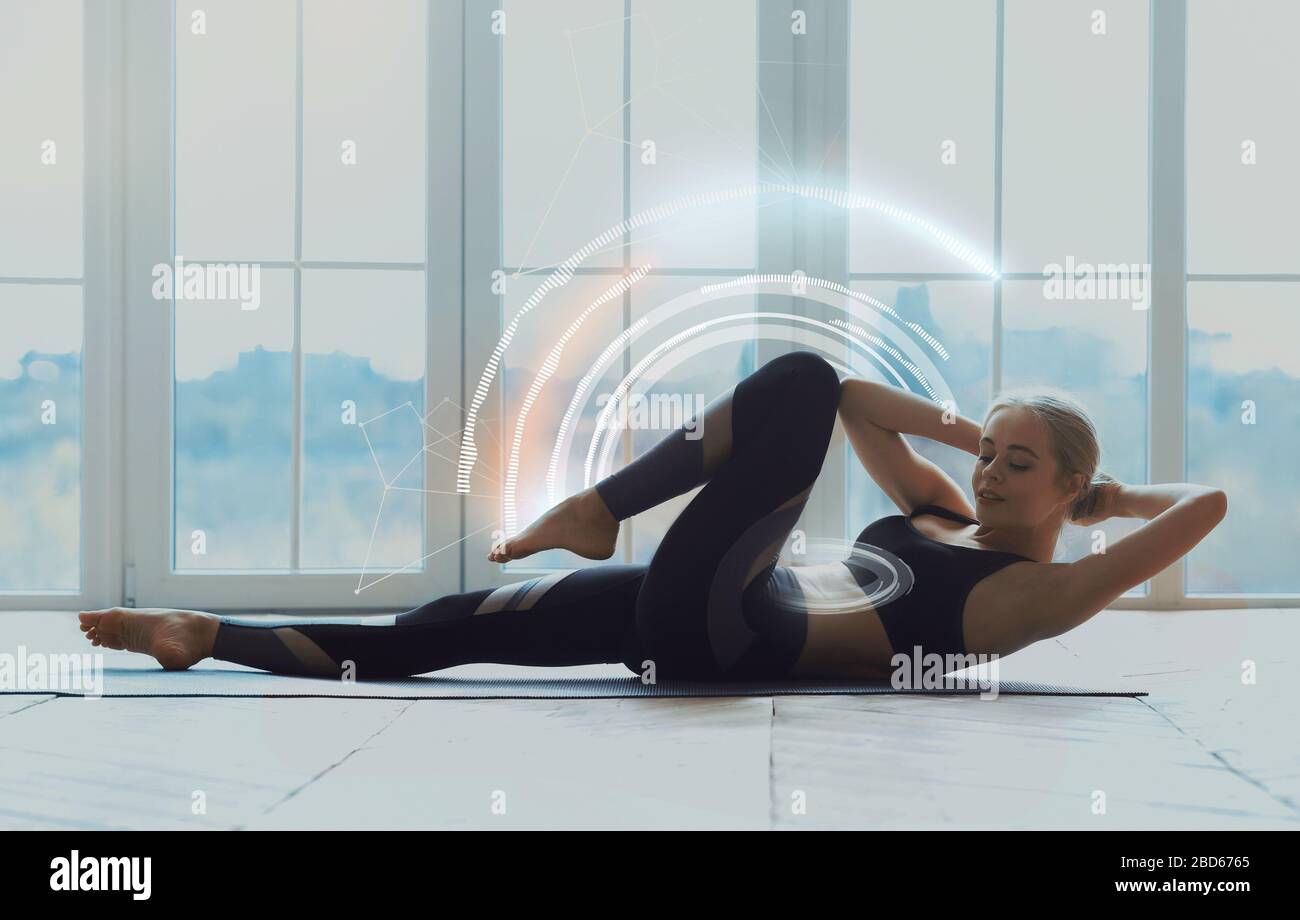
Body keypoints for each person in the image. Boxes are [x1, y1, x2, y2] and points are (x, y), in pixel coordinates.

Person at [78, 351, 1228, 682]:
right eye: (986, 450)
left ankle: (593, 506)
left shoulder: (1033, 598)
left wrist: (1112, 502)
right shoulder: (935, 516)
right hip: (683, 608)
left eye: (1012, 463)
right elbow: (862, 410)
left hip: (738, 632)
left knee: (793, 379)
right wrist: (965, 428)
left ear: (1067, 491)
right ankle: (201, 631)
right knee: (447, 624)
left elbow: (1211, 504)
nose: (982, 472)